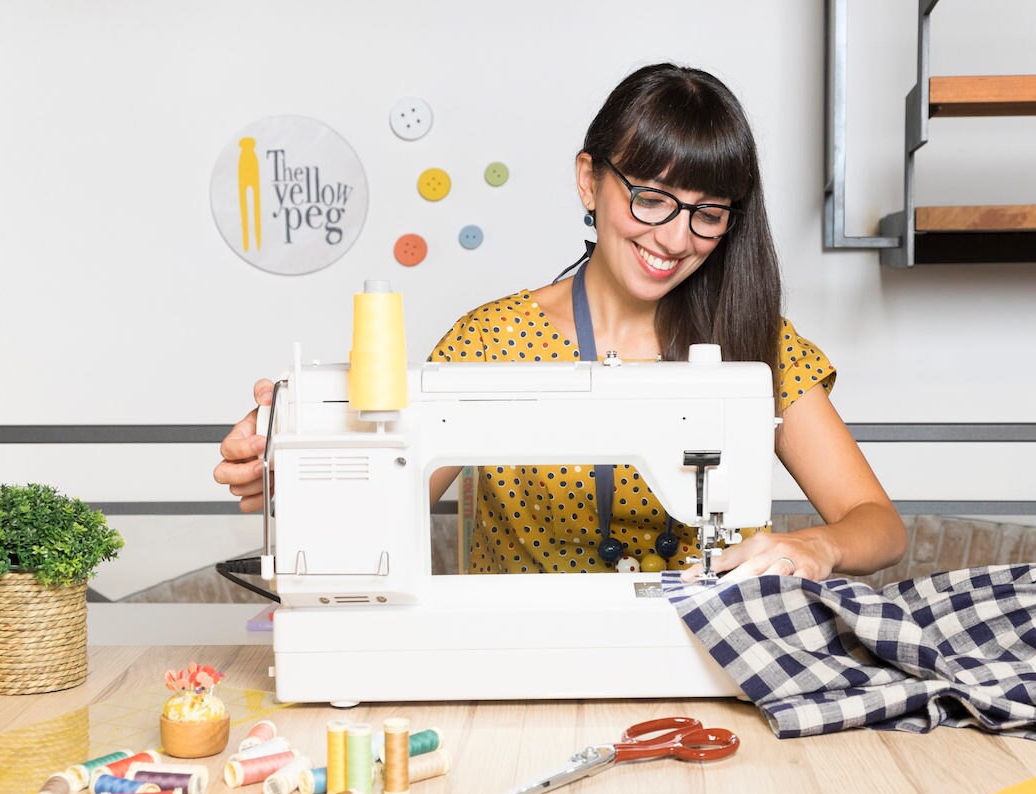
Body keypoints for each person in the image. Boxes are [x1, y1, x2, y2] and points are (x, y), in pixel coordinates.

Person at [213, 63, 907, 583]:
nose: (676, 237)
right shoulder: (489, 343)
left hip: (709, 658)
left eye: (709, 213)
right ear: (589, 180)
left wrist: (818, 545)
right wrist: (301, 463)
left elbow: (878, 525)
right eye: (652, 199)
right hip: (520, 663)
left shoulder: (755, 338)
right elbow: (381, 507)